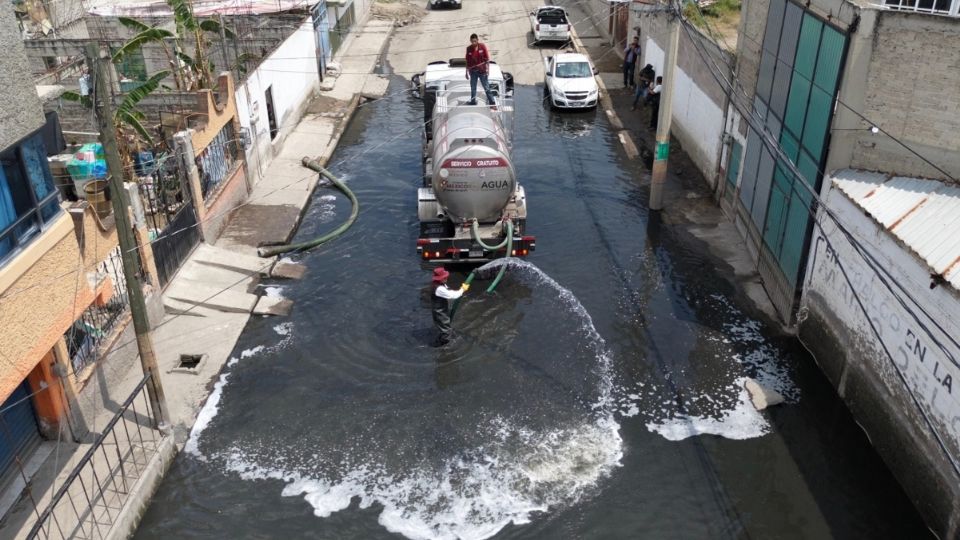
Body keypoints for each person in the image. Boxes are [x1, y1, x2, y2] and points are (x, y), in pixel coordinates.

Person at [431, 267, 470, 345]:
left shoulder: (439, 284)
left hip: (441, 309)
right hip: (439, 312)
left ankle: (440, 339)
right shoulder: (439, 289)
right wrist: (462, 289)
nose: (446, 278)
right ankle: (442, 346)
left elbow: (449, 291)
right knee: (446, 331)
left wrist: (460, 290)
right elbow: (453, 295)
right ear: (440, 279)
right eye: (444, 277)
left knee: (444, 327)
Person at [465, 33, 496, 107]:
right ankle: (473, 101)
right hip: (473, 71)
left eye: (475, 41)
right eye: (472, 41)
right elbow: (467, 61)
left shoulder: (482, 46)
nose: (473, 43)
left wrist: (488, 69)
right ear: (470, 41)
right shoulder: (468, 49)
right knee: (473, 87)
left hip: (482, 71)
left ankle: (492, 103)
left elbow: (487, 59)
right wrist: (466, 72)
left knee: (487, 88)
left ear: (477, 40)